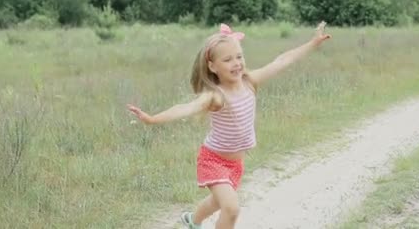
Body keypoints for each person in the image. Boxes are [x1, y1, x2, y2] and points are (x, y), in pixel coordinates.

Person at [127, 21, 331, 229]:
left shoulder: (250, 81)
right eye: (227, 59)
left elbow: (282, 61)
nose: (236, 63)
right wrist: (152, 119)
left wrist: (313, 43)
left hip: (236, 164)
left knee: (217, 202)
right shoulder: (216, 96)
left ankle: (192, 221)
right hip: (213, 160)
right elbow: (185, 108)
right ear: (212, 66)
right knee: (231, 208)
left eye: (239, 57)